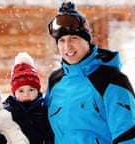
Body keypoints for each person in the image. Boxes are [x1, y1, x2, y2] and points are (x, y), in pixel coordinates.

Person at [45, 1, 135, 144]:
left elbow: (128, 137)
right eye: (61, 40)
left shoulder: (111, 81)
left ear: (87, 41)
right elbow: (46, 131)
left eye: (74, 38)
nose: (67, 46)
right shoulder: (55, 81)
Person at [3, 52, 54, 144]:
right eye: (21, 91)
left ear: (38, 90)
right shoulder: (8, 110)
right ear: (14, 92)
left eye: (31, 90)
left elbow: (50, 134)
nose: (26, 94)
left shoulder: (44, 109)